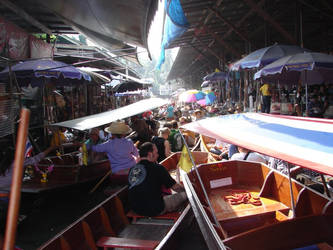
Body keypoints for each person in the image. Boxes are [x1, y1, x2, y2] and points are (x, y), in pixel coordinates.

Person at [128, 142, 187, 216]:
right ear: (150, 154)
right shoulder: (158, 168)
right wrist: (188, 190)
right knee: (186, 194)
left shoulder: (132, 169)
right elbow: (176, 187)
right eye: (156, 153)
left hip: (136, 209)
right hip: (155, 209)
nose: (158, 155)